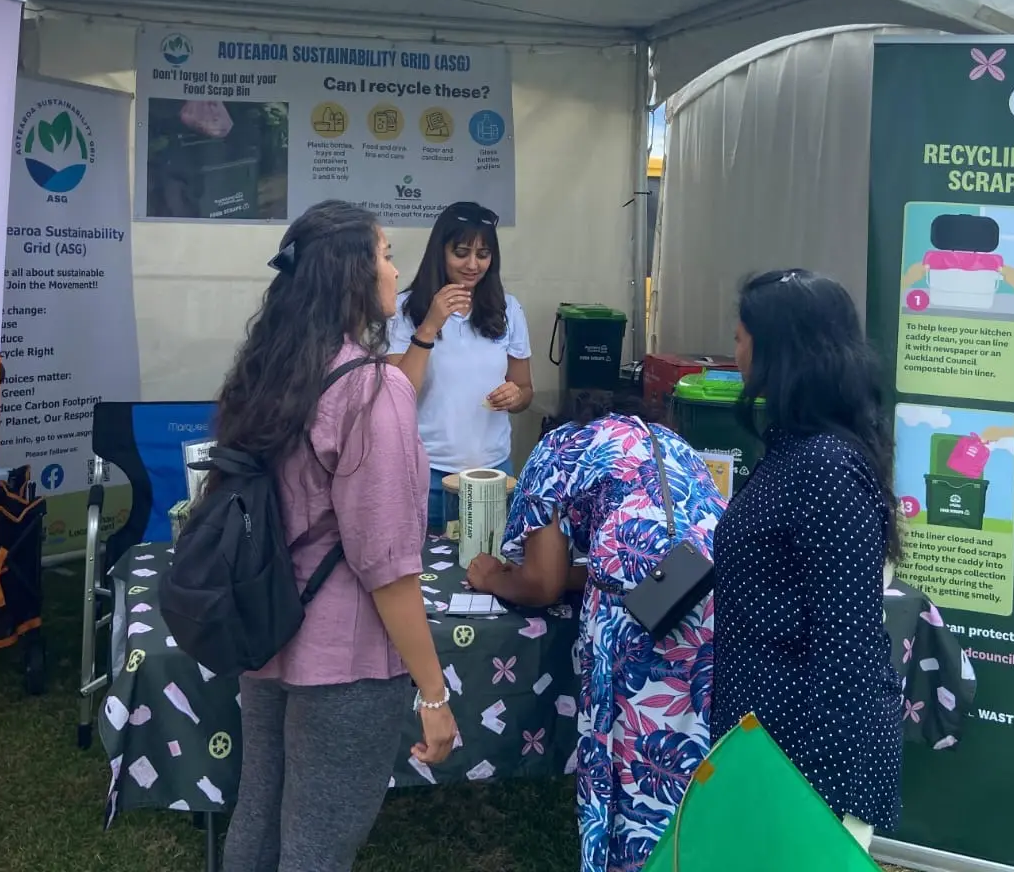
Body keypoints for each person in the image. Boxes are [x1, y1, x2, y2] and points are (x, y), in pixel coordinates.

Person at [219, 200, 458, 872]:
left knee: (260, 816)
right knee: (316, 846)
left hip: (268, 632)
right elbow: (387, 565)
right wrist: (433, 694)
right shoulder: (372, 388)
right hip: (345, 658)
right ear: (354, 274)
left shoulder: (270, 372)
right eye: (385, 255)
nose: (395, 271)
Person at [465, 389, 722, 872]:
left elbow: (541, 584)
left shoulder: (558, 447)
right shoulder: (671, 443)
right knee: (690, 754)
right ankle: (693, 854)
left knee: (631, 757)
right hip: (710, 592)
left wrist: (492, 577)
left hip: (634, 622)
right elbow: (642, 559)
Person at [710, 269, 903, 850]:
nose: (734, 351)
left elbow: (848, 646)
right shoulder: (795, 450)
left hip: (807, 769)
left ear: (780, 352)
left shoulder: (826, 469)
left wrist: (818, 800)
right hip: (767, 748)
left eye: (741, 338)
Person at [389, 202, 533, 529]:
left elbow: (525, 390)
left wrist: (516, 396)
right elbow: (396, 395)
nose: (472, 265)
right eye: (461, 253)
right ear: (439, 252)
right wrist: (430, 325)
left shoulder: (508, 309)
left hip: (493, 473)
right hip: (426, 474)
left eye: (483, 254)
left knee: (489, 558)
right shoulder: (404, 309)